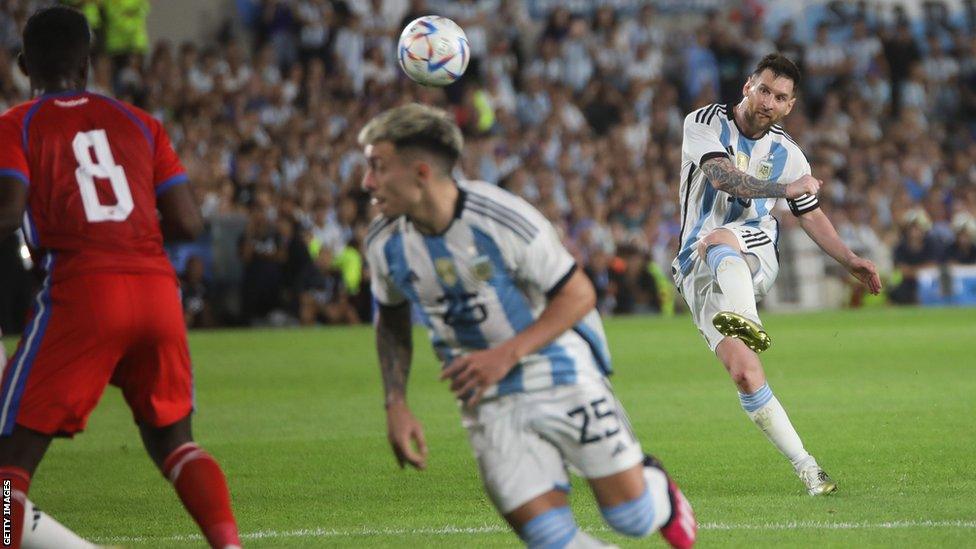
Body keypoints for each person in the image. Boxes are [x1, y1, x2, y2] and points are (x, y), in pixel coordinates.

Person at [360, 103, 697, 548]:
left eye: (377, 168)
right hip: (486, 396)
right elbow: (392, 319)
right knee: (548, 537)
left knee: (632, 518)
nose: (367, 183)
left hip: (558, 372)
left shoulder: (499, 218)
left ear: (420, 172)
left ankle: (659, 491)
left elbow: (578, 294)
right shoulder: (384, 244)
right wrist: (395, 403)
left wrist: (505, 354)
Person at [0, 8, 240, 549]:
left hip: (82, 290)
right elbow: (187, 221)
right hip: (157, 291)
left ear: (23, 65)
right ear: (89, 64)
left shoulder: (17, 124)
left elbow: (6, 211)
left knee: (7, 467)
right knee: (176, 444)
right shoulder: (140, 122)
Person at [670, 53, 882, 496]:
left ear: (790, 106)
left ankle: (749, 318)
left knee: (720, 238)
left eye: (780, 97)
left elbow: (810, 214)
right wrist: (786, 190)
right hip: (696, 267)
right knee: (745, 374)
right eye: (764, 89)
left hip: (753, 250)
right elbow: (723, 177)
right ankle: (809, 469)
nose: (768, 101)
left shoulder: (788, 153)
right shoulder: (703, 122)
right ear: (748, 85)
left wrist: (849, 259)